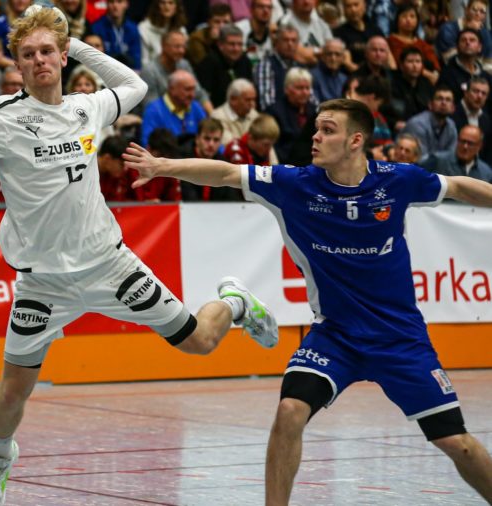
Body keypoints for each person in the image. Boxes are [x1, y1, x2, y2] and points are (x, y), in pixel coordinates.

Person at [0, 8, 278, 505]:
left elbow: (135, 84)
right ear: (18, 64)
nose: (38, 60)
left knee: (199, 342)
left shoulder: (86, 107)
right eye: (28, 55)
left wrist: (75, 42)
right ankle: (1, 457)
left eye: (47, 51)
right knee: (11, 394)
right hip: (42, 285)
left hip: (110, 267)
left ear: (63, 56)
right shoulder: (0, 118)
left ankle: (237, 303)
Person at [123, 97, 492, 506]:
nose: (315, 137)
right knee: (290, 412)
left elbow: (457, 186)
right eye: (316, 128)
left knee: (456, 442)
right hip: (334, 336)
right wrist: (162, 166)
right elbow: (226, 173)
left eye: (328, 130)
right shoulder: (294, 184)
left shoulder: (397, 180)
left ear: (356, 141)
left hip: (399, 340)